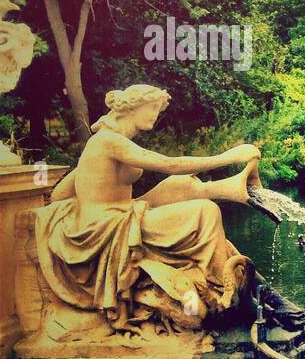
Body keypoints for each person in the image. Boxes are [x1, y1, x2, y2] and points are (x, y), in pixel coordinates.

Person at [35, 84, 263, 334]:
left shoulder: (104, 142)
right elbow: (169, 164)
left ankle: (229, 279)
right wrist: (229, 157)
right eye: (152, 107)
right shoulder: (109, 141)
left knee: (180, 185)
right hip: (109, 228)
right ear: (132, 107)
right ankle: (223, 286)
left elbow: (60, 194)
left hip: (120, 216)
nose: (155, 114)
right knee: (205, 212)